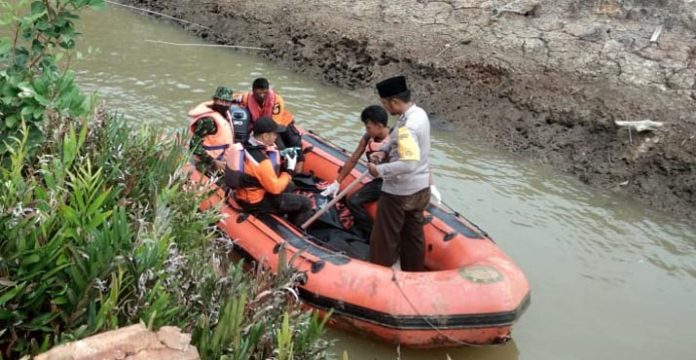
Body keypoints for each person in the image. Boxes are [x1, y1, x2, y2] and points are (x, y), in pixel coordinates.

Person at [368, 76, 431, 272]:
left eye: (385, 104)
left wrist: (379, 170)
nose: (386, 109)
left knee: (384, 237)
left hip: (400, 192)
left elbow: (409, 164)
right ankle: (414, 272)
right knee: (413, 236)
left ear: (394, 101)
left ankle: (381, 276)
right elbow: (394, 137)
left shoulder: (409, 128)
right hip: (421, 189)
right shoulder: (417, 114)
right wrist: (383, 150)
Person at [321, 105, 390, 239]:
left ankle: (371, 234)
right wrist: (337, 181)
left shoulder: (394, 141)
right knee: (350, 198)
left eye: (369, 127)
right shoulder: (368, 137)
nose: (366, 130)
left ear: (380, 125)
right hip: (378, 178)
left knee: (353, 201)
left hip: (391, 181)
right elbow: (353, 159)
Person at [230, 116, 313, 227]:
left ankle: (284, 211)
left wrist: (281, 155)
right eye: (274, 134)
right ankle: (294, 230)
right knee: (306, 203)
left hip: (245, 192)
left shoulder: (245, 145)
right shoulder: (261, 162)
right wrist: (289, 172)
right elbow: (275, 189)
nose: (276, 137)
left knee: (290, 186)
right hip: (255, 202)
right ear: (265, 135)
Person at [237, 78, 304, 172]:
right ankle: (285, 169)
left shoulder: (277, 100)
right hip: (267, 127)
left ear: (268, 91)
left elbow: (274, 125)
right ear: (253, 91)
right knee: (280, 149)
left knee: (295, 143)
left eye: (264, 92)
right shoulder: (246, 97)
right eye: (258, 93)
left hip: (282, 124)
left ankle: (298, 173)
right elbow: (234, 97)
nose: (262, 95)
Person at [188, 86, 235, 172]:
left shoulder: (225, 114)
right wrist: (213, 162)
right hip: (206, 163)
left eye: (227, 102)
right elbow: (194, 145)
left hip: (223, 159)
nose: (224, 104)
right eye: (221, 101)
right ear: (215, 100)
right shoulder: (209, 121)